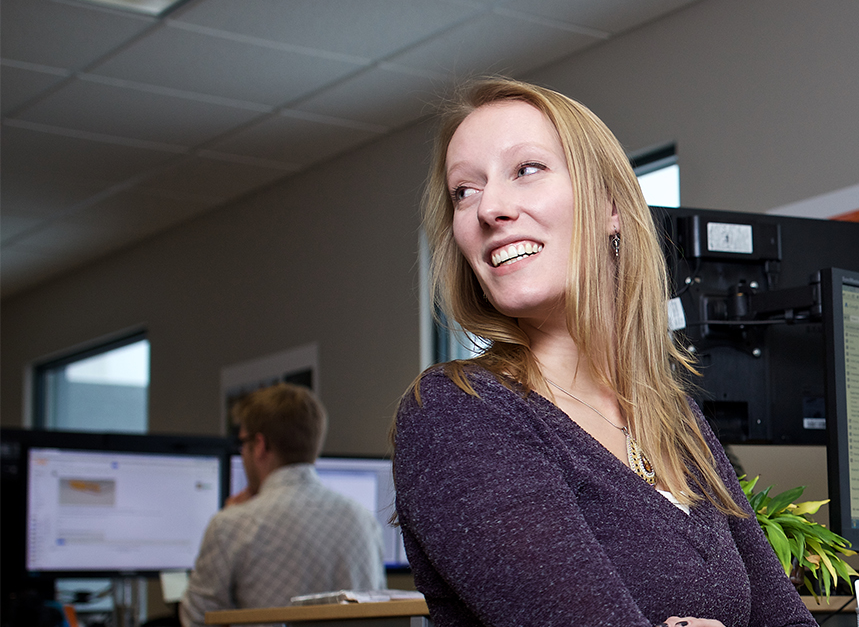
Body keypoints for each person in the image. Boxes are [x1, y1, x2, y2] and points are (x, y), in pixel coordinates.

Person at [392, 78, 816, 627]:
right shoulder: (458, 415)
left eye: (525, 169)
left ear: (610, 205)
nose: (489, 208)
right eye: (464, 191)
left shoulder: (675, 423)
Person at [181, 384, 385, 627]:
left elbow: (197, 618)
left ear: (260, 445)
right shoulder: (364, 519)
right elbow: (381, 611)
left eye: (243, 444)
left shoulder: (232, 524)